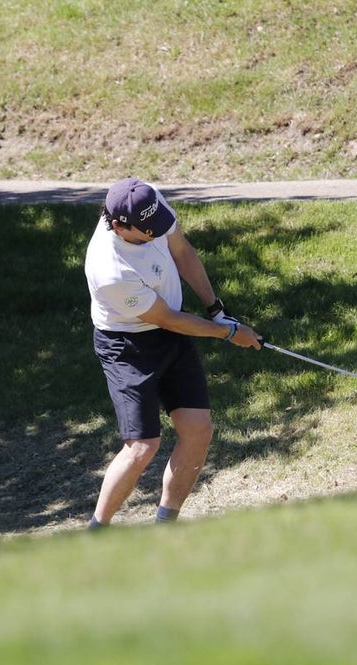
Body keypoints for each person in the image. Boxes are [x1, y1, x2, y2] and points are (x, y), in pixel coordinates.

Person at [83, 177, 261, 529]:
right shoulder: (110, 269)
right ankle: (97, 530)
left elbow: (181, 250)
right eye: (149, 231)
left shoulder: (146, 200)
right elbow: (166, 318)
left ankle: (166, 526)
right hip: (128, 346)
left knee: (198, 430)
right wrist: (228, 333)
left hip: (172, 333)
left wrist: (216, 309)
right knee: (142, 447)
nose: (157, 234)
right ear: (119, 226)